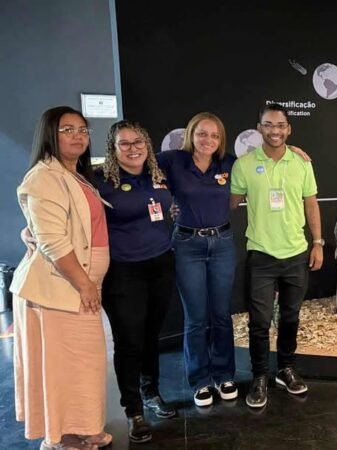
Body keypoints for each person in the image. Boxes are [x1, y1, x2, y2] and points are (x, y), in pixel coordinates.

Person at [11, 106, 112, 449]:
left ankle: (82, 425)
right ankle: (63, 437)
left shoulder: (74, 174)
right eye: (68, 129)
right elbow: (53, 241)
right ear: (50, 134)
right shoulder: (43, 176)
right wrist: (84, 284)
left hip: (78, 285)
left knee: (84, 363)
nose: (78, 135)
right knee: (61, 367)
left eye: (82, 129)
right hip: (59, 288)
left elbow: (47, 227)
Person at [230, 103, 323, 408]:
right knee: (259, 322)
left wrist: (318, 242)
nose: (275, 131)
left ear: (289, 129)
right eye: (269, 125)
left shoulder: (302, 162)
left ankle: (286, 369)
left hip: (296, 252)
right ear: (260, 128)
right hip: (261, 254)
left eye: (280, 125)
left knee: (290, 316)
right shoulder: (243, 164)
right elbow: (228, 202)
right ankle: (259, 376)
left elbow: (311, 204)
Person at [96, 120, 177, 443]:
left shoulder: (158, 174)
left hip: (160, 264)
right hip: (123, 270)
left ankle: (151, 393)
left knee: (150, 335)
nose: (133, 148)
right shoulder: (98, 180)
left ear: (147, 143)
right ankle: (133, 410)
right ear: (113, 149)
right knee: (129, 340)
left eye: (138, 142)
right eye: (124, 144)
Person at [156, 112, 239, 407]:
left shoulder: (229, 163)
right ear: (191, 134)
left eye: (214, 136)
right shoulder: (172, 160)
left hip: (222, 243)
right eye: (202, 134)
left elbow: (261, 167)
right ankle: (200, 380)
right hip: (188, 244)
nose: (208, 140)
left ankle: (224, 374)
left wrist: (294, 150)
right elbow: (135, 164)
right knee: (195, 317)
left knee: (220, 313)